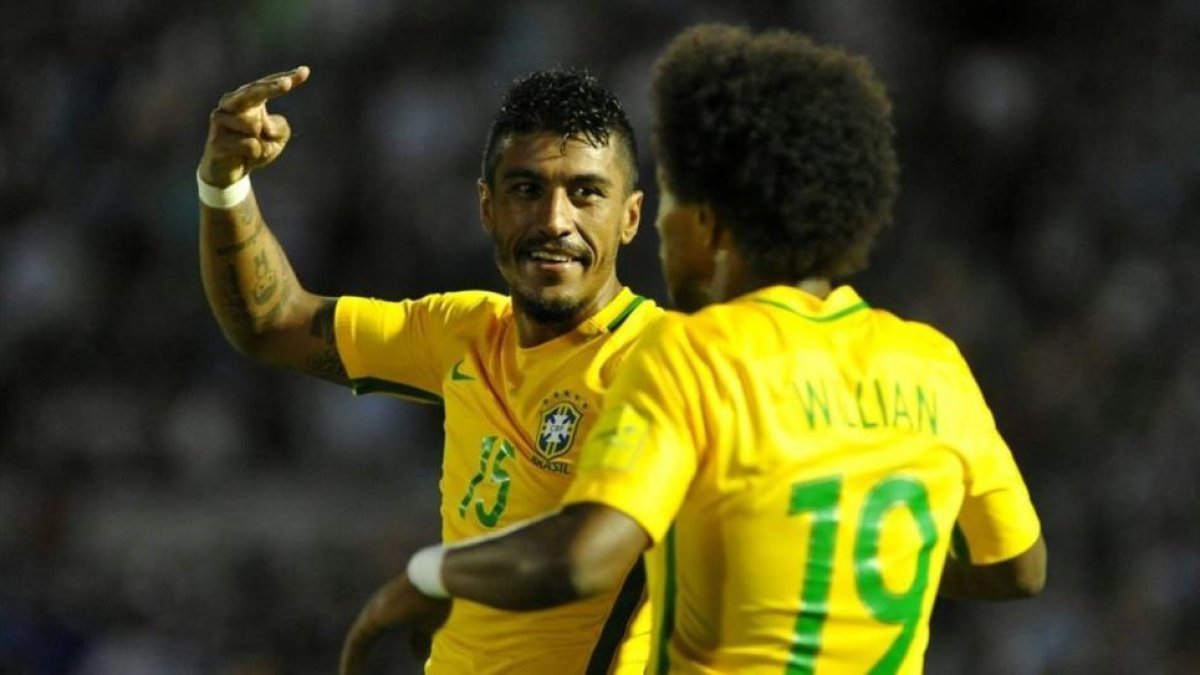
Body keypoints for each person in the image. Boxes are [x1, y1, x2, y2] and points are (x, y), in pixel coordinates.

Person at [362, 23, 1048, 674]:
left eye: (669, 206)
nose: (658, 228)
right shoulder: (932, 366)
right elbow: (1021, 567)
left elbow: (583, 556)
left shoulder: (694, 355)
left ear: (710, 222)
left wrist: (429, 577)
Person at [197, 66, 661, 673]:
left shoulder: (661, 364)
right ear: (487, 208)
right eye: (527, 189)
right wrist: (224, 184)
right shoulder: (461, 330)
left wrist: (426, 577)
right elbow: (272, 321)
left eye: (585, 193)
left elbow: (584, 553)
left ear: (629, 217)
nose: (555, 220)